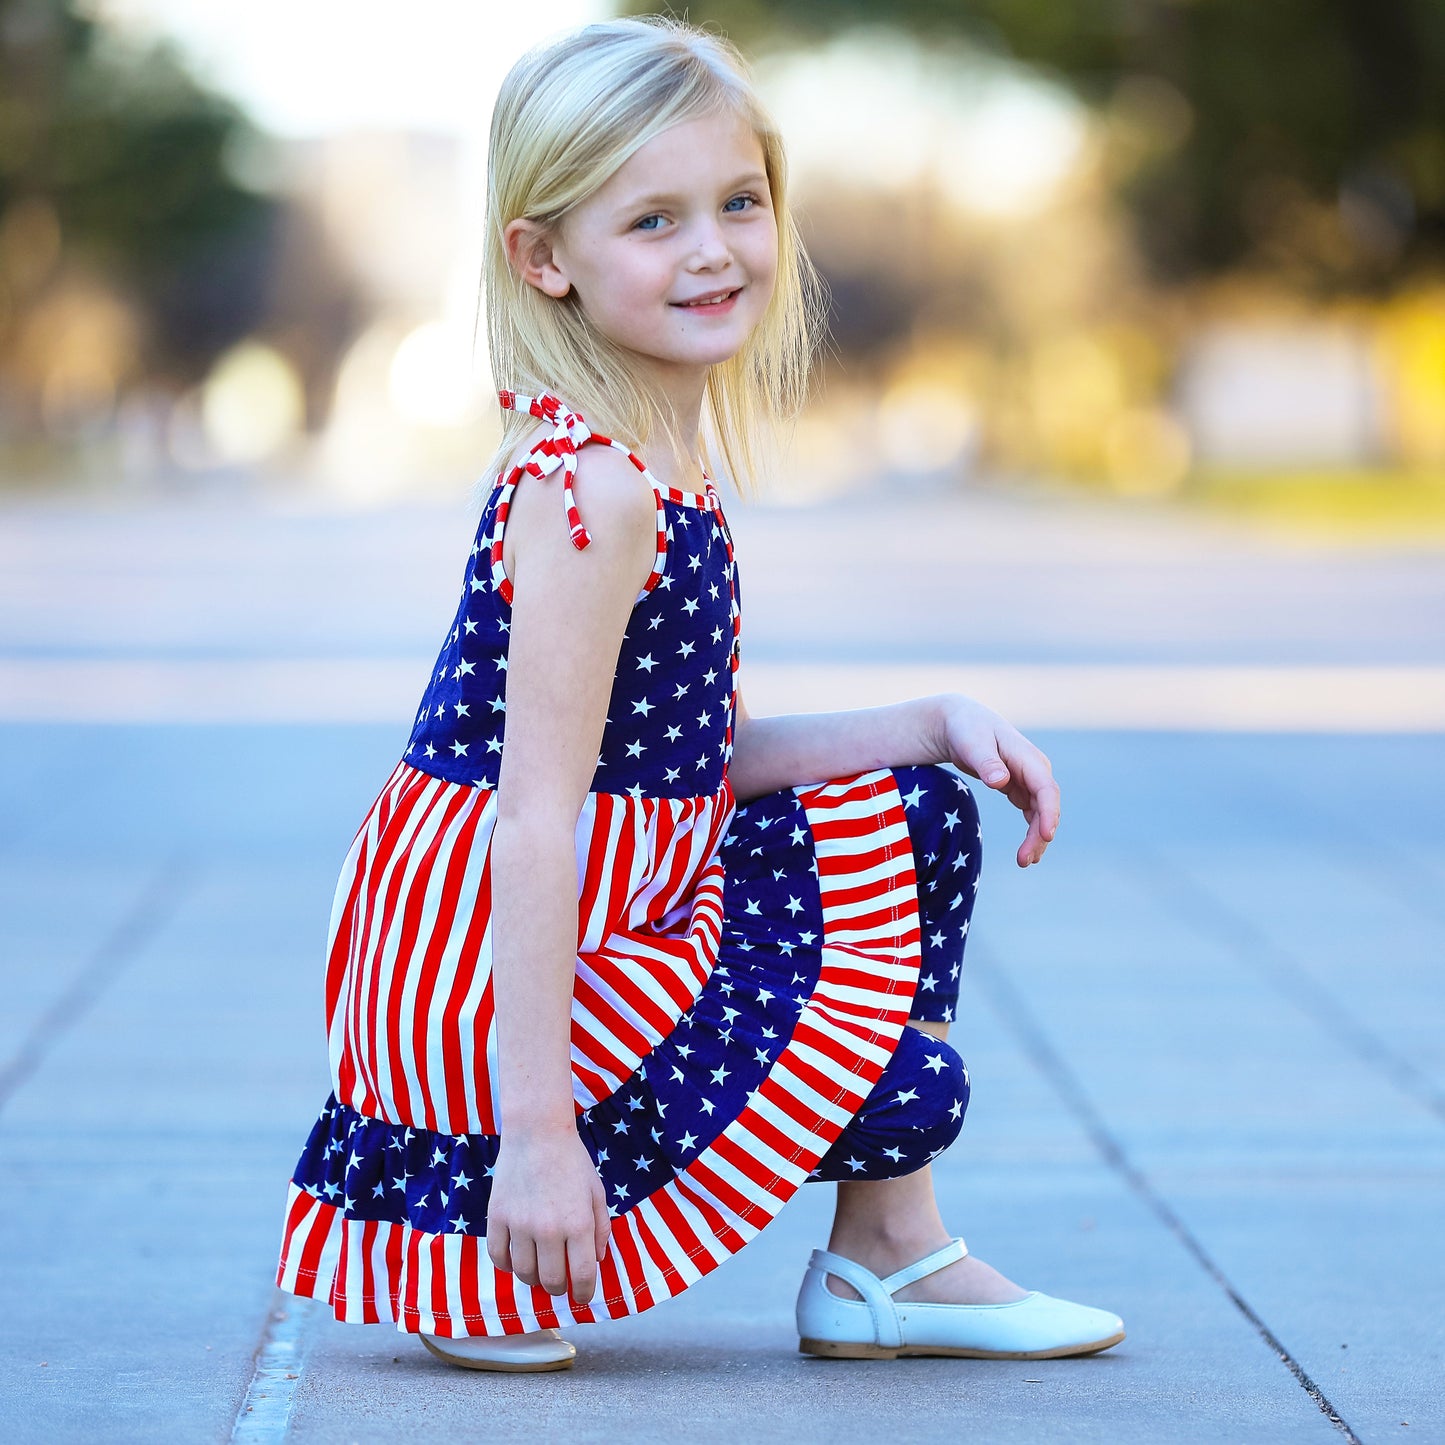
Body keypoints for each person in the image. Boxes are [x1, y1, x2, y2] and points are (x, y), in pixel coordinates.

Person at [273, 14, 1125, 1372]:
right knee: (867, 910)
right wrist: (537, 1136)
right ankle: (498, 1217)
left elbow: (675, 764)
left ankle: (886, 1257)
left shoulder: (647, 459)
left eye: (737, 202)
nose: (714, 247)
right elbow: (535, 820)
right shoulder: (594, 492)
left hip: (615, 899)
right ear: (542, 259)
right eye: (653, 220)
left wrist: (926, 721)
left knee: (908, 812)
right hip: (502, 984)